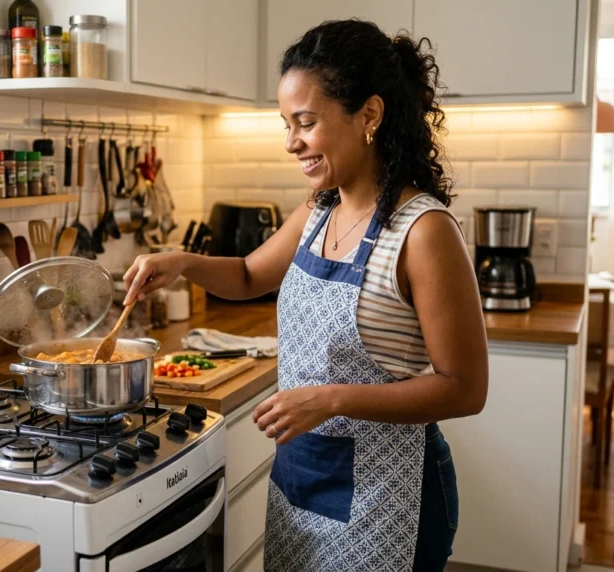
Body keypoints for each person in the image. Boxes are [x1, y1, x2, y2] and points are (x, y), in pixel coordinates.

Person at [123, 19, 488, 572]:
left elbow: (464, 389)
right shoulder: (319, 213)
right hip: (302, 479)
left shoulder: (422, 231)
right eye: (287, 124)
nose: (291, 142)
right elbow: (247, 275)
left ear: (369, 115)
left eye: (306, 122)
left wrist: (331, 398)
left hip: (390, 493)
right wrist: (181, 262)